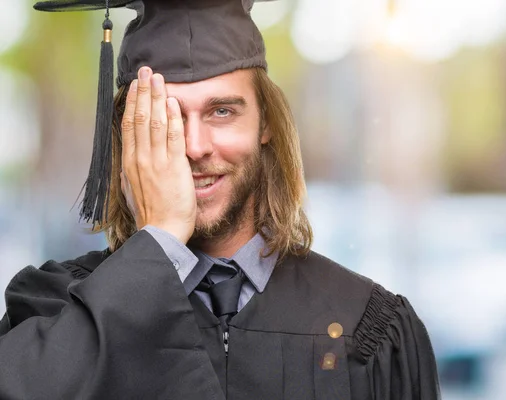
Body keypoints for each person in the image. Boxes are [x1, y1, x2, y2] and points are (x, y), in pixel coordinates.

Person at [0, 0, 440, 398]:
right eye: (166, 117)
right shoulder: (56, 312)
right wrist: (161, 240)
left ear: (264, 123)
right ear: (127, 135)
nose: (194, 146)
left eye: (222, 111)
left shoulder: (368, 325)